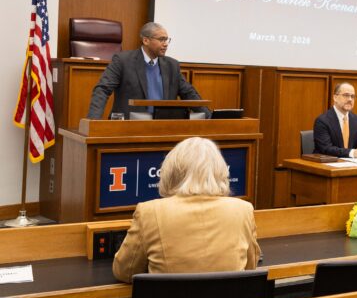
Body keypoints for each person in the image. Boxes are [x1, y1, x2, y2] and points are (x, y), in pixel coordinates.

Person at [112, 136, 260, 282]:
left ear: (171, 172)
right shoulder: (243, 210)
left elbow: (125, 272)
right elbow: (250, 268)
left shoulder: (149, 212)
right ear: (220, 172)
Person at [87, 22, 205, 119]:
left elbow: (189, 93)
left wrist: (209, 116)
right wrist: (93, 121)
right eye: (161, 39)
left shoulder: (172, 65)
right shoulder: (123, 61)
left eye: (167, 40)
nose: (165, 44)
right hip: (128, 127)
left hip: (162, 126)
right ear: (146, 41)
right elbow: (102, 89)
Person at [313, 81, 357, 159]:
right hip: (327, 164)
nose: (350, 99)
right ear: (335, 97)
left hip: (351, 165)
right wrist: (353, 153)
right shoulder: (322, 121)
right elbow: (326, 149)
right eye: (346, 95)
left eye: (352, 96)